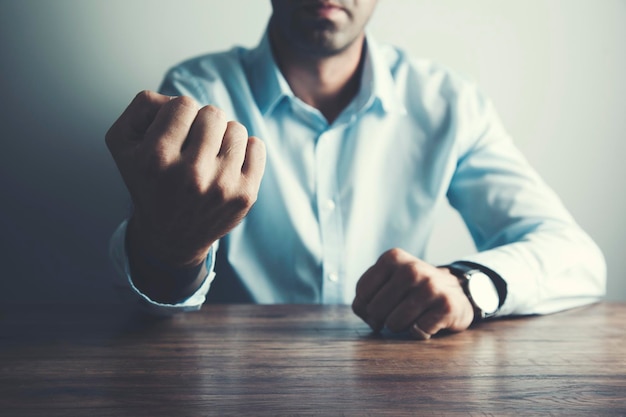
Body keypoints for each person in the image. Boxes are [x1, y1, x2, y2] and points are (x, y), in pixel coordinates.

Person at [106, 0, 606, 339]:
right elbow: (157, 301)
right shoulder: (199, 91)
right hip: (239, 387)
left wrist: (469, 286)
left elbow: (576, 258)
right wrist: (174, 248)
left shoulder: (448, 102)